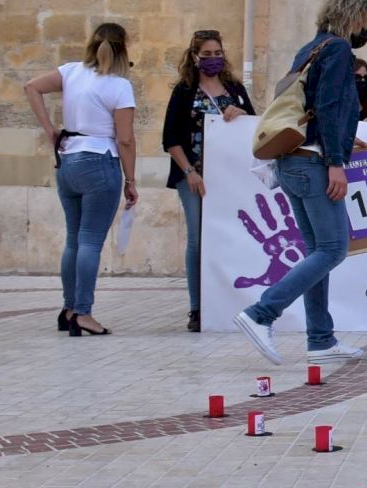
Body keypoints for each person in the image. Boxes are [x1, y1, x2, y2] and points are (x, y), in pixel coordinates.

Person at [233, 0, 367, 366]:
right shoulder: (339, 49)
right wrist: (335, 160)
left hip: (292, 162)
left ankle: (321, 339)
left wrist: (343, 137)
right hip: (314, 164)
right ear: (355, 17)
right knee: (333, 249)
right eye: (366, 22)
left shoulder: (310, 49)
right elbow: (328, 104)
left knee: (318, 252)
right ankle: (261, 313)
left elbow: (311, 106)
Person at [25, 22, 138, 336]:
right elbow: (125, 139)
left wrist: (50, 129)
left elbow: (31, 87)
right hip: (100, 161)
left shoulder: (71, 71)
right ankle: (83, 313)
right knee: (90, 241)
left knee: (74, 239)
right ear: (123, 49)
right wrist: (131, 180)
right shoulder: (119, 85)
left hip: (69, 160)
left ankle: (69, 308)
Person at [162, 30, 254, 332]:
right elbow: (170, 138)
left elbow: (254, 126)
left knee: (229, 236)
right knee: (197, 239)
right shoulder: (184, 91)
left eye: (218, 53)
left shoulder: (235, 88)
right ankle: (197, 307)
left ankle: (228, 301)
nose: (213, 59)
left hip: (228, 176)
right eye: (207, 54)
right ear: (194, 57)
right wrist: (189, 171)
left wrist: (241, 113)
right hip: (195, 176)